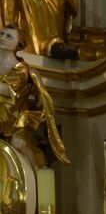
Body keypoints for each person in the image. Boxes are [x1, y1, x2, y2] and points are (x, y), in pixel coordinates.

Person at [0, 25, 68, 168]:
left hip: (15, 116)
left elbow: (7, 90)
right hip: (2, 115)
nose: (3, 38)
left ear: (18, 44)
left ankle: (34, 174)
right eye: (2, 34)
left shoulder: (20, 68)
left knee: (19, 144)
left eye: (9, 36)